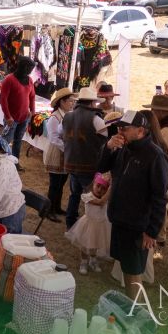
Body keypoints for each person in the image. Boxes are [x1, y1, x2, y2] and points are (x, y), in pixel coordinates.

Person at [99, 110, 168, 300]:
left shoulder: (155, 156)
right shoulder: (122, 147)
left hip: (136, 225)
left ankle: (134, 312)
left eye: (125, 128)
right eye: (119, 127)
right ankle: (131, 307)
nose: (120, 131)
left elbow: (160, 197)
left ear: (140, 131)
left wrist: (152, 231)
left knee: (133, 272)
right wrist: (108, 147)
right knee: (126, 268)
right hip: (119, 218)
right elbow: (101, 167)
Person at [62, 86, 107, 229]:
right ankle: (88, 228)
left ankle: (70, 223)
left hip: (71, 163)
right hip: (88, 166)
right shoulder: (96, 119)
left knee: (74, 195)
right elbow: (106, 140)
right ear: (93, 102)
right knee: (90, 198)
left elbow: (62, 135)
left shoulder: (67, 116)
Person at [143, 94, 168, 244]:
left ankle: (159, 235)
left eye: (153, 110)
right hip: (165, 170)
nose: (152, 113)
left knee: (158, 203)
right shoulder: (167, 124)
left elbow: (162, 155)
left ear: (160, 111)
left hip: (165, 172)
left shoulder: (167, 130)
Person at [64, 173, 111, 275]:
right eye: (98, 186)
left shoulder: (106, 199)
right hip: (88, 225)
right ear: (93, 184)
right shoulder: (87, 197)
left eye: (103, 188)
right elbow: (100, 202)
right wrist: (111, 188)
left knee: (95, 244)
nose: (99, 190)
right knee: (85, 245)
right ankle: (84, 262)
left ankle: (92, 260)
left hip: (100, 226)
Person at [44, 88, 76, 222]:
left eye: (73, 101)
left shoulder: (67, 115)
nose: (72, 103)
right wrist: (67, 148)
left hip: (65, 153)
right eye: (70, 101)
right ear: (62, 102)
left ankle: (56, 207)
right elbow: (53, 138)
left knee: (61, 182)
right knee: (55, 184)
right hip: (56, 154)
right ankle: (49, 210)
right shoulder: (55, 117)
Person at [0, 56, 36, 168]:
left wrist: (32, 110)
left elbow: (32, 96)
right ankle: (2, 163)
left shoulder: (29, 80)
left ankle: (15, 162)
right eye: (30, 68)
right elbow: (3, 99)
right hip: (11, 118)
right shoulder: (9, 79)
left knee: (18, 141)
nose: (31, 71)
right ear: (24, 67)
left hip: (24, 117)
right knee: (6, 141)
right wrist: (8, 116)